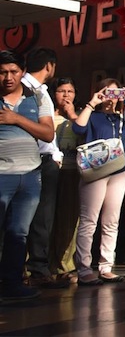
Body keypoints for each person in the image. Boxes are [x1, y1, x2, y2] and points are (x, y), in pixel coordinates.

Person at [72, 79, 125, 285]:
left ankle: (106, 266)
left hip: (119, 170)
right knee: (89, 220)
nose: (111, 98)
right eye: (108, 92)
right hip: (94, 170)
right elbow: (78, 129)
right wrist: (92, 103)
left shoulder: (122, 118)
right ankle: (84, 268)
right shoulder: (93, 116)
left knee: (111, 220)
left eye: (116, 93)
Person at [0, 50, 55, 303]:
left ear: (23, 72)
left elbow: (47, 134)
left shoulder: (37, 97)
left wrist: (15, 119)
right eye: (2, 72)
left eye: (13, 71)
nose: (8, 77)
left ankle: (11, 283)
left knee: (18, 233)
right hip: (2, 176)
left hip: (30, 177)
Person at [22, 48, 66, 288]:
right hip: (31, 160)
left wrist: (56, 155)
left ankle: (38, 268)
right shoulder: (26, 90)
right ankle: (31, 269)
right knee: (27, 218)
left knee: (42, 218)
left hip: (46, 160)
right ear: (50, 66)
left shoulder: (41, 91)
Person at [48, 77, 81, 283]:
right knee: (45, 221)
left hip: (71, 173)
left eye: (70, 91)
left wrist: (73, 115)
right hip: (48, 172)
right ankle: (35, 267)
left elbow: (86, 135)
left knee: (68, 221)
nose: (66, 95)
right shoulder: (46, 116)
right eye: (61, 91)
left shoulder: (78, 118)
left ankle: (64, 266)